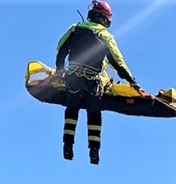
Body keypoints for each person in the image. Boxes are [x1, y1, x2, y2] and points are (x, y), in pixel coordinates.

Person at [55, 0, 141, 164]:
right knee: (94, 112)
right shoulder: (105, 36)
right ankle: (94, 151)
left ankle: (67, 146)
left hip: (72, 78)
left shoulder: (75, 28)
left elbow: (61, 48)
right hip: (92, 82)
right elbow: (117, 62)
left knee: (72, 109)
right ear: (105, 18)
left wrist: (59, 71)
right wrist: (132, 81)